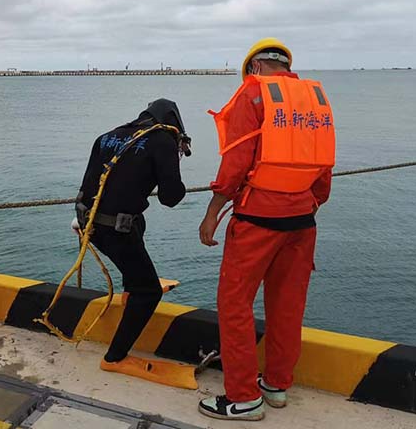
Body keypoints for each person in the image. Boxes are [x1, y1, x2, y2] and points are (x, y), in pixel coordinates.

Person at [197, 38, 335, 421]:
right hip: (303, 221)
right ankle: (275, 385)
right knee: (287, 306)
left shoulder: (253, 94)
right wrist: (307, 203)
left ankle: (242, 398)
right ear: (286, 66)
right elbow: (323, 167)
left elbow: (236, 163)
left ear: (254, 68)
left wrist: (212, 212)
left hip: (258, 222)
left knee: (235, 305)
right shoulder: (314, 99)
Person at [76, 99, 191, 386]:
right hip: (115, 230)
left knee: (138, 222)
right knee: (149, 292)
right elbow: (171, 197)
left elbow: (91, 185)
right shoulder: (163, 140)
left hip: (88, 224)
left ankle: (132, 287)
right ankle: (114, 357)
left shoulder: (108, 135)